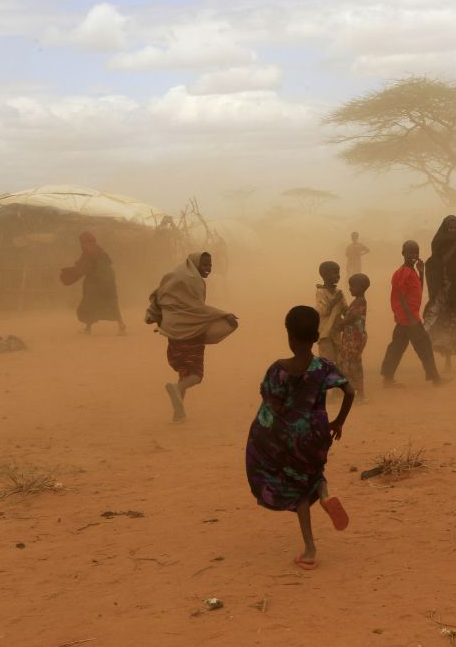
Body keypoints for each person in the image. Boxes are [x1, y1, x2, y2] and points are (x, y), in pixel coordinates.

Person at [245, 305, 353, 570]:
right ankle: (325, 497)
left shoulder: (278, 370)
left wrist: (262, 439)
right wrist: (338, 421)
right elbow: (349, 391)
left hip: (288, 437)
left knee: (300, 492)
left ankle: (310, 550)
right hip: (316, 432)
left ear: (290, 338)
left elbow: (270, 403)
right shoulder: (323, 367)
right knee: (314, 472)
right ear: (316, 337)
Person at [145, 252, 238, 422]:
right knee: (196, 373)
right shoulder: (195, 281)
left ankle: (178, 413)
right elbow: (196, 310)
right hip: (191, 332)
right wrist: (224, 315)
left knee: (184, 371)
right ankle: (178, 388)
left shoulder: (173, 277)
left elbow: (159, 296)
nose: (208, 269)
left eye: (210, 265)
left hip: (172, 332)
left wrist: (152, 315)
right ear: (195, 264)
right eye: (205, 265)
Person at [380, 241, 444, 387]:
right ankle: (436, 379)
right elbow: (402, 296)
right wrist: (410, 319)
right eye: (410, 252)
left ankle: (387, 378)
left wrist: (421, 273)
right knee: (424, 346)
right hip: (409, 319)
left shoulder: (411, 271)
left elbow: (418, 291)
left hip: (407, 318)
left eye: (416, 252)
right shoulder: (403, 272)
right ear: (403, 253)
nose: (413, 255)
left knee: (397, 347)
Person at [423, 215, 456, 371]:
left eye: (455, 228)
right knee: (446, 326)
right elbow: (439, 263)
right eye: (450, 228)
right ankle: (448, 363)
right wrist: (455, 246)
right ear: (445, 229)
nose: (453, 231)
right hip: (445, 289)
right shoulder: (439, 243)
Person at [60, 231, 126, 335]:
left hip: (99, 283)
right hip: (104, 283)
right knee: (97, 303)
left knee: (93, 303)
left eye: (83, 242)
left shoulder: (90, 252)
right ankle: (118, 325)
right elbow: (86, 266)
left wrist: (72, 272)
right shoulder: (100, 251)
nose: (82, 245)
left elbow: (84, 268)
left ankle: (118, 326)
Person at [340, 274, 369, 403]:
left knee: (353, 364)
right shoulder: (357, 300)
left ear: (362, 287)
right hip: (351, 338)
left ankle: (359, 394)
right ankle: (356, 392)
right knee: (352, 364)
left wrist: (340, 323)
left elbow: (352, 317)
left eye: (352, 286)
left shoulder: (360, 301)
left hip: (354, 339)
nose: (350, 288)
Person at [314, 261, 346, 362]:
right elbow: (323, 311)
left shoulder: (339, 292)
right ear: (324, 275)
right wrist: (334, 300)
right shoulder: (320, 292)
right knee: (328, 362)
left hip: (336, 332)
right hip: (325, 333)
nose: (338, 275)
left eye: (338, 272)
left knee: (340, 361)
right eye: (334, 273)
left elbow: (345, 309)